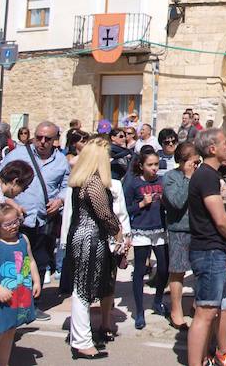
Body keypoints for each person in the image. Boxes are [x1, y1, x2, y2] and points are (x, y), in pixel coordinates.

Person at [186, 129, 226, 366]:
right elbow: (220, 219)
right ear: (212, 149)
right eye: (225, 142)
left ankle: (215, 354)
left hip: (215, 250)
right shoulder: (207, 176)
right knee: (206, 312)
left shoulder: (211, 176)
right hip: (208, 251)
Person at [0, 120, 69, 305]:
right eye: (39, 137)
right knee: (17, 261)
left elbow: (66, 186)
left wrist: (60, 200)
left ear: (55, 140)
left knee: (40, 260)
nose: (42, 142)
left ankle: (32, 303)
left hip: (44, 220)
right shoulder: (17, 155)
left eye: (48, 138)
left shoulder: (61, 161)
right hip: (18, 220)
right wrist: (11, 204)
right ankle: (15, 301)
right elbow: (0, 181)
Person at [64, 141, 122, 359]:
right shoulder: (94, 182)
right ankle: (82, 341)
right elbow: (105, 214)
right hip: (89, 239)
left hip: (82, 236)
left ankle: (81, 337)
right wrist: (118, 232)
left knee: (82, 289)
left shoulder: (81, 180)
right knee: (83, 290)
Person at [0, 203, 40, 366]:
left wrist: (36, 280)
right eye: (8, 224)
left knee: (10, 331)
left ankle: (4, 363)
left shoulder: (23, 239)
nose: (14, 226)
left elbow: (30, 261)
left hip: (18, 293)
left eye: (16, 221)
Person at [124, 146, 168, 330]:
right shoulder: (133, 183)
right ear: (141, 166)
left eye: (156, 164)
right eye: (150, 165)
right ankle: (139, 311)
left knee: (164, 268)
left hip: (160, 229)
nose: (154, 168)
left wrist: (165, 201)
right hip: (141, 230)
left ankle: (158, 301)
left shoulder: (162, 181)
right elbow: (126, 208)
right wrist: (142, 203)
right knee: (140, 270)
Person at [162, 141, 199, 330]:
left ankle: (197, 305)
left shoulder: (199, 175)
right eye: (194, 161)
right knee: (177, 271)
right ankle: (176, 311)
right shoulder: (170, 177)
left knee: (200, 270)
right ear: (184, 161)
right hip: (179, 229)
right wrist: (187, 177)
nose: (196, 165)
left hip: (198, 228)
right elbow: (176, 202)